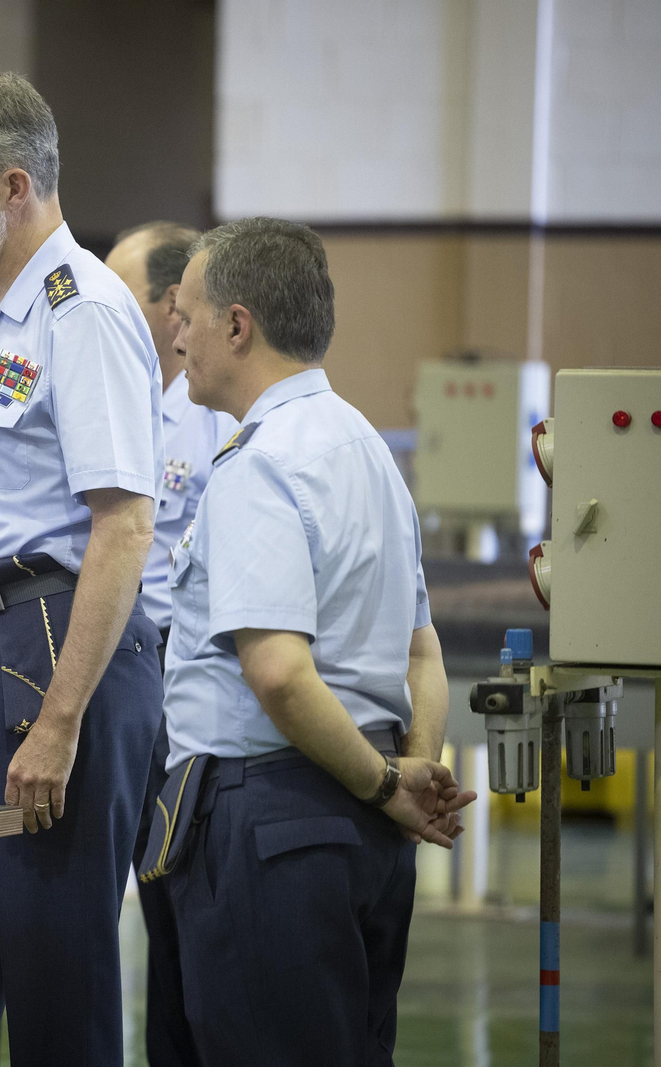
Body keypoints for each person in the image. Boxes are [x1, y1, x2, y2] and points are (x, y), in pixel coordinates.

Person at [152, 217, 473, 1064]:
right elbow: (423, 654)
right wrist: (409, 771)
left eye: (187, 315)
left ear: (237, 324)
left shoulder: (261, 464)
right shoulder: (365, 449)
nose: (175, 336)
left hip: (274, 823)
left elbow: (280, 675)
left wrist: (387, 787)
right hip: (363, 826)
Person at [0, 73, 164, 1067]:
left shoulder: (81, 310)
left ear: (13, 185)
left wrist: (59, 720)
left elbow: (124, 526)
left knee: (58, 987)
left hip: (53, 646)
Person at [105, 221, 236, 1067]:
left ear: (167, 305)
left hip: (183, 678)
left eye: (121, 292)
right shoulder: (112, 397)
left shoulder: (214, 417)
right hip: (109, 673)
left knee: (182, 901)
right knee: (117, 895)